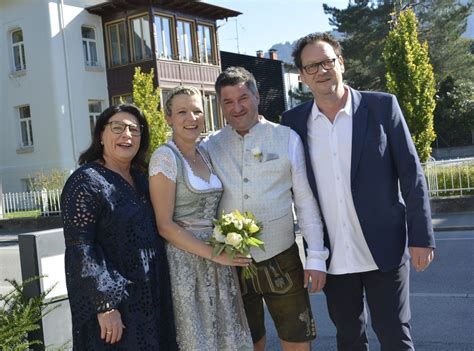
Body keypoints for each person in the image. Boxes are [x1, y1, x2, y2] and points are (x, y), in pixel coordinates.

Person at [281, 32, 436, 351]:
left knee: (395, 335)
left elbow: (411, 174)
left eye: (327, 62)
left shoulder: (382, 107)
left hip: (384, 248)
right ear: (302, 77)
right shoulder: (292, 123)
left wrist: (421, 236)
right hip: (333, 255)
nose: (321, 71)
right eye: (312, 67)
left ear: (341, 63)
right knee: (349, 338)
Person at [202, 66, 329, 351]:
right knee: (248, 341)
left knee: (297, 339)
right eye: (228, 102)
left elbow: (305, 201)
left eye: (243, 98)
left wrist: (317, 257)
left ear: (257, 96)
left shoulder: (286, 138)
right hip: (232, 263)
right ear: (220, 105)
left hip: (281, 256)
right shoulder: (210, 146)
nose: (237, 107)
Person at [61, 104, 177, 350]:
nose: (127, 135)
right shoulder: (86, 181)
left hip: (152, 297)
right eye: (118, 128)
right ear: (101, 135)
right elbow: (81, 248)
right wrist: (105, 305)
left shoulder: (143, 179)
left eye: (135, 130)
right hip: (116, 303)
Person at [148, 85, 254, 351]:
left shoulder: (205, 154)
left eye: (197, 111)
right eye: (182, 112)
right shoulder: (165, 157)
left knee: (224, 335)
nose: (191, 118)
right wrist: (214, 253)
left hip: (218, 261)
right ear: (168, 118)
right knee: (199, 338)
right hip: (186, 263)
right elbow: (164, 225)